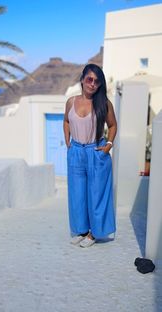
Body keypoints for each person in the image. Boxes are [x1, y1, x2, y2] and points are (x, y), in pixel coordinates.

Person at [63, 63, 117, 248]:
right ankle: (82, 231)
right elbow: (66, 121)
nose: (93, 84)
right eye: (89, 79)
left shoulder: (104, 104)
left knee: (96, 195)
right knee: (77, 195)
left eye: (97, 81)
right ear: (82, 80)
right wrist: (68, 142)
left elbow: (112, 126)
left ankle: (94, 233)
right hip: (76, 152)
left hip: (96, 152)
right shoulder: (71, 102)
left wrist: (109, 145)